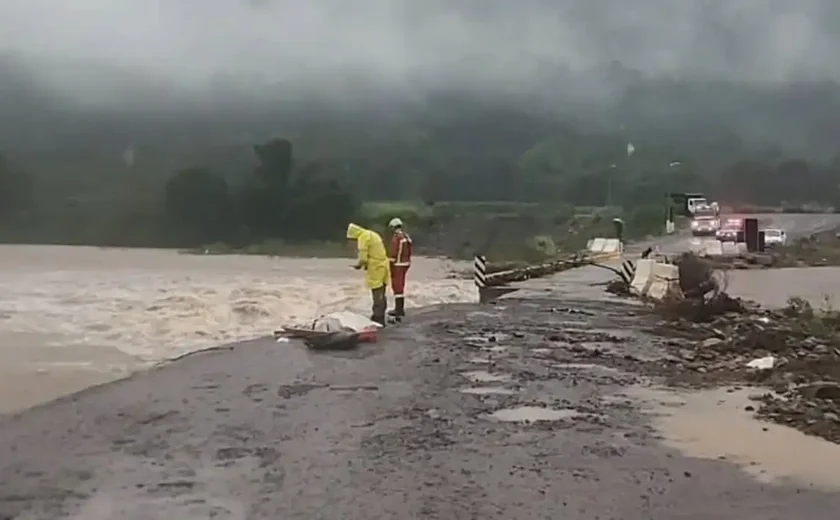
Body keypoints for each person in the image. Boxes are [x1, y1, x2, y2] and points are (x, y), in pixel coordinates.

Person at [346, 223, 390, 326]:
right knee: (382, 292)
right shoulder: (372, 234)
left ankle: (378, 318)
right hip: (383, 265)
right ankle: (381, 316)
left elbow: (363, 257)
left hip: (376, 267)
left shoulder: (363, 237)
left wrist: (359, 265)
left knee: (376, 292)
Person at [386, 217, 413, 319]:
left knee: (397, 286)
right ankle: (399, 309)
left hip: (398, 264)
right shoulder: (406, 236)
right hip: (405, 264)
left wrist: (389, 263)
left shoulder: (397, 237)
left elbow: (393, 252)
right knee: (400, 285)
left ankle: (399, 310)